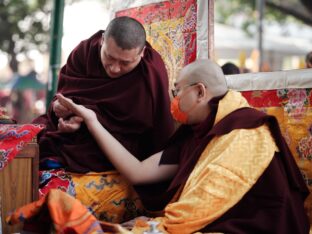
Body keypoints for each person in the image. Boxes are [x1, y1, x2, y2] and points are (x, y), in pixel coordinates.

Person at [56, 59, 310, 234]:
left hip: (258, 228)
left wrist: (153, 226)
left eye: (177, 91)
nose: (173, 100)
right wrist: (92, 121)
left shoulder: (244, 130)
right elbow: (137, 171)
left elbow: (197, 208)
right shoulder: (194, 134)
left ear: (200, 92)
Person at [32, 16, 174, 222]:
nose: (114, 68)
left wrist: (88, 118)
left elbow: (157, 129)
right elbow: (63, 97)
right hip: (72, 135)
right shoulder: (84, 51)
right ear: (102, 41)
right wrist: (61, 112)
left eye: (125, 63)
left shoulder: (151, 72)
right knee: (30, 139)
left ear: (142, 54)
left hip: (118, 144)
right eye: (109, 57)